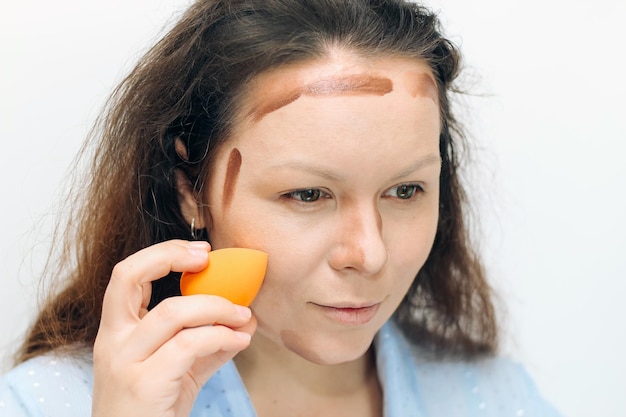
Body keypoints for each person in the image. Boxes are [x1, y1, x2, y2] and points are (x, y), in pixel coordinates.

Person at [0, 0, 563, 416]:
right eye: (308, 195)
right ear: (190, 189)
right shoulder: (51, 402)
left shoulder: (496, 398)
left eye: (405, 191)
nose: (369, 254)